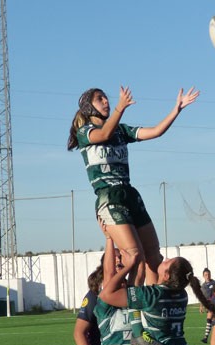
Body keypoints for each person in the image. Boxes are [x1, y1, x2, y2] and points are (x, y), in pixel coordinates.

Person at [67, 85, 199, 289]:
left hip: (129, 194)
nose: (106, 102)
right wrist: (120, 108)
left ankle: (153, 307)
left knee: (153, 257)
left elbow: (155, 132)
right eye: (100, 99)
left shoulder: (121, 130)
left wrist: (177, 109)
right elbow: (103, 135)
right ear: (87, 107)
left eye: (106, 98)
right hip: (109, 197)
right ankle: (133, 311)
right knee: (134, 256)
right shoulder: (85, 132)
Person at [199, 268, 215, 343]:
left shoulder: (214, 283)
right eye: (206, 275)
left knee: (209, 318)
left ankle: (205, 337)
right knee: (213, 320)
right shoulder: (203, 286)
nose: (207, 276)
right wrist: (201, 306)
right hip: (207, 305)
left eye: (208, 274)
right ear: (203, 276)